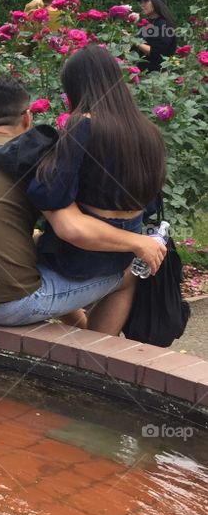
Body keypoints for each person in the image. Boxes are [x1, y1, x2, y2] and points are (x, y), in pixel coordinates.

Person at [0, 75, 166, 327]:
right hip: (7, 306)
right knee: (129, 275)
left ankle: (82, 334)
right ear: (27, 117)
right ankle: (96, 360)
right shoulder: (32, 157)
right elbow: (72, 228)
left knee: (38, 248)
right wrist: (139, 242)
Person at [26, 44, 167, 334]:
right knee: (125, 282)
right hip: (125, 249)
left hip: (81, 255)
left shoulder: (82, 124)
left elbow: (51, 193)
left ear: (77, 87)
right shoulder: (149, 130)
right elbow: (150, 201)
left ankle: (92, 341)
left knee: (27, 243)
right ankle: (100, 345)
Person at [135, 0, 176, 71]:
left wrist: (133, 40)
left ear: (156, 3)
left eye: (146, 1)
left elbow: (157, 52)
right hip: (142, 75)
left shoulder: (164, 24)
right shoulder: (147, 23)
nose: (142, 4)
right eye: (141, 1)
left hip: (156, 78)